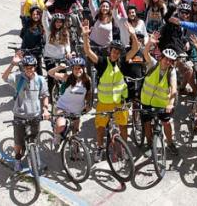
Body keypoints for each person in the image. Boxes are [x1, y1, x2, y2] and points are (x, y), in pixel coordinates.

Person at [82, 23, 139, 162]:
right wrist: (85, 36)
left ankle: (124, 148)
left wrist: (133, 33)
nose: (115, 54)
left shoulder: (123, 62)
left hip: (120, 102)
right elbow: (88, 51)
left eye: (118, 52)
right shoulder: (102, 62)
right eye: (114, 51)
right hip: (104, 103)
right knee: (100, 128)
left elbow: (136, 48)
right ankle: (100, 148)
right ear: (110, 51)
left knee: (124, 127)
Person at [2, 54, 50, 172]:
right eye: (27, 67)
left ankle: (36, 160)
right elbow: (4, 77)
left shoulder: (40, 80)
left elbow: (44, 96)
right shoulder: (18, 78)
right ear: (23, 67)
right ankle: (17, 160)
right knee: (19, 142)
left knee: (34, 139)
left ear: (35, 67)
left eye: (32, 67)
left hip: (35, 115)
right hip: (20, 116)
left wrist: (45, 109)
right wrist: (12, 64)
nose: (29, 69)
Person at [141, 33, 179, 155]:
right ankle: (149, 143)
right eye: (166, 58)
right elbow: (145, 53)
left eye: (170, 60)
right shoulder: (153, 64)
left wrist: (170, 104)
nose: (168, 62)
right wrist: (149, 43)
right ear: (161, 58)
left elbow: (174, 89)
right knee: (146, 122)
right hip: (146, 100)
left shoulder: (171, 72)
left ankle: (170, 142)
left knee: (166, 123)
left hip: (162, 103)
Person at [47, 57, 91, 146]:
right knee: (60, 126)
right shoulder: (67, 77)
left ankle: (75, 150)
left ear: (83, 68)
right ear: (72, 69)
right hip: (63, 107)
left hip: (77, 110)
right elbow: (50, 73)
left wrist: (88, 105)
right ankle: (57, 135)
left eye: (80, 68)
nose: (78, 70)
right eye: (75, 68)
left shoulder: (87, 80)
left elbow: (88, 93)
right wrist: (59, 68)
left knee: (75, 132)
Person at [20, 5, 45, 75]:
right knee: (27, 68)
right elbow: (22, 16)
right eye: (33, 14)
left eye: (37, 14)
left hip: (37, 50)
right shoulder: (27, 23)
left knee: (39, 68)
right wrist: (22, 6)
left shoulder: (42, 24)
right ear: (31, 15)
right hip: (26, 49)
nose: (35, 16)